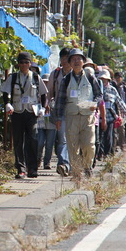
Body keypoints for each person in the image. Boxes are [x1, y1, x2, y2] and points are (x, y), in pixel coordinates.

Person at [55, 48, 103, 177]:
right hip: (71, 116)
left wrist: (95, 104)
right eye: (73, 59)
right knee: (72, 145)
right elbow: (60, 100)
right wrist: (58, 118)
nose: (76, 62)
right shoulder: (66, 80)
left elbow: (99, 95)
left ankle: (87, 166)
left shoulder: (89, 77)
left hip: (88, 116)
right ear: (69, 63)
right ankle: (76, 171)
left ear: (83, 62)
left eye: (79, 59)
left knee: (89, 144)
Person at [1, 51, 48, 178]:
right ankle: (20, 169)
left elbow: (44, 94)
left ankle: (32, 168)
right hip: (17, 111)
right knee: (18, 140)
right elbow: (5, 93)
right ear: (18, 64)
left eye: (26, 62)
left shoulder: (36, 77)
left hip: (31, 112)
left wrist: (43, 108)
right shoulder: (13, 77)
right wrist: (7, 104)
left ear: (30, 63)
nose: (24, 65)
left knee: (33, 139)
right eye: (21, 62)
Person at [47, 47, 72, 176]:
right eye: (62, 58)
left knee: (73, 139)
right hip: (60, 109)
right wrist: (47, 104)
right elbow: (50, 92)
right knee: (62, 138)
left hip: (75, 110)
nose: (65, 61)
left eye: (67, 58)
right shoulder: (55, 74)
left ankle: (69, 165)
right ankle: (63, 164)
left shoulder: (77, 74)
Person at [99, 69, 126, 159]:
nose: (103, 81)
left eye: (104, 79)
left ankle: (107, 155)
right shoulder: (96, 88)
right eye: (101, 79)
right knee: (98, 139)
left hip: (109, 117)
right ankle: (99, 154)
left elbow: (120, 102)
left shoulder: (112, 90)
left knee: (108, 137)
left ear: (108, 79)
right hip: (97, 118)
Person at [37, 73, 57, 170]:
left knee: (49, 144)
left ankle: (47, 162)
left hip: (52, 124)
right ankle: (38, 160)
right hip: (40, 123)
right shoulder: (37, 97)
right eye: (43, 82)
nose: (45, 85)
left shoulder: (54, 97)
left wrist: (50, 107)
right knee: (40, 142)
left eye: (47, 83)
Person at [113, 71, 126, 147]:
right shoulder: (112, 86)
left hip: (123, 111)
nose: (118, 79)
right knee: (114, 130)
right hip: (114, 110)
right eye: (116, 77)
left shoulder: (125, 88)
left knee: (122, 129)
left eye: (119, 77)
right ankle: (115, 146)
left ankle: (123, 145)